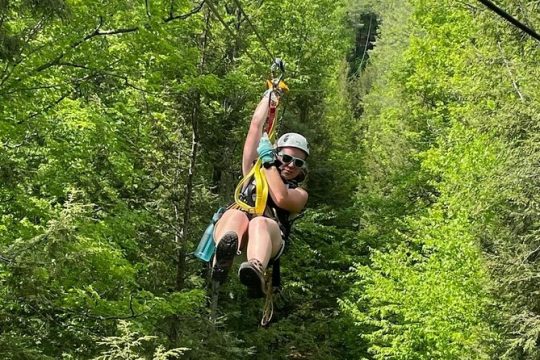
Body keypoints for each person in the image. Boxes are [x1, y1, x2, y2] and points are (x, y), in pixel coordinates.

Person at [211, 89, 309, 298]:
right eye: (286, 158)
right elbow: (255, 126)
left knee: (259, 223)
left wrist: (268, 162)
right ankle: (222, 257)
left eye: (298, 163)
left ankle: (255, 268)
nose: (291, 165)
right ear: (277, 153)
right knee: (236, 214)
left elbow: (281, 197)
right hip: (238, 231)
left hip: (268, 240)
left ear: (302, 169)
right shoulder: (253, 171)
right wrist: (269, 97)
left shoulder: (299, 193)